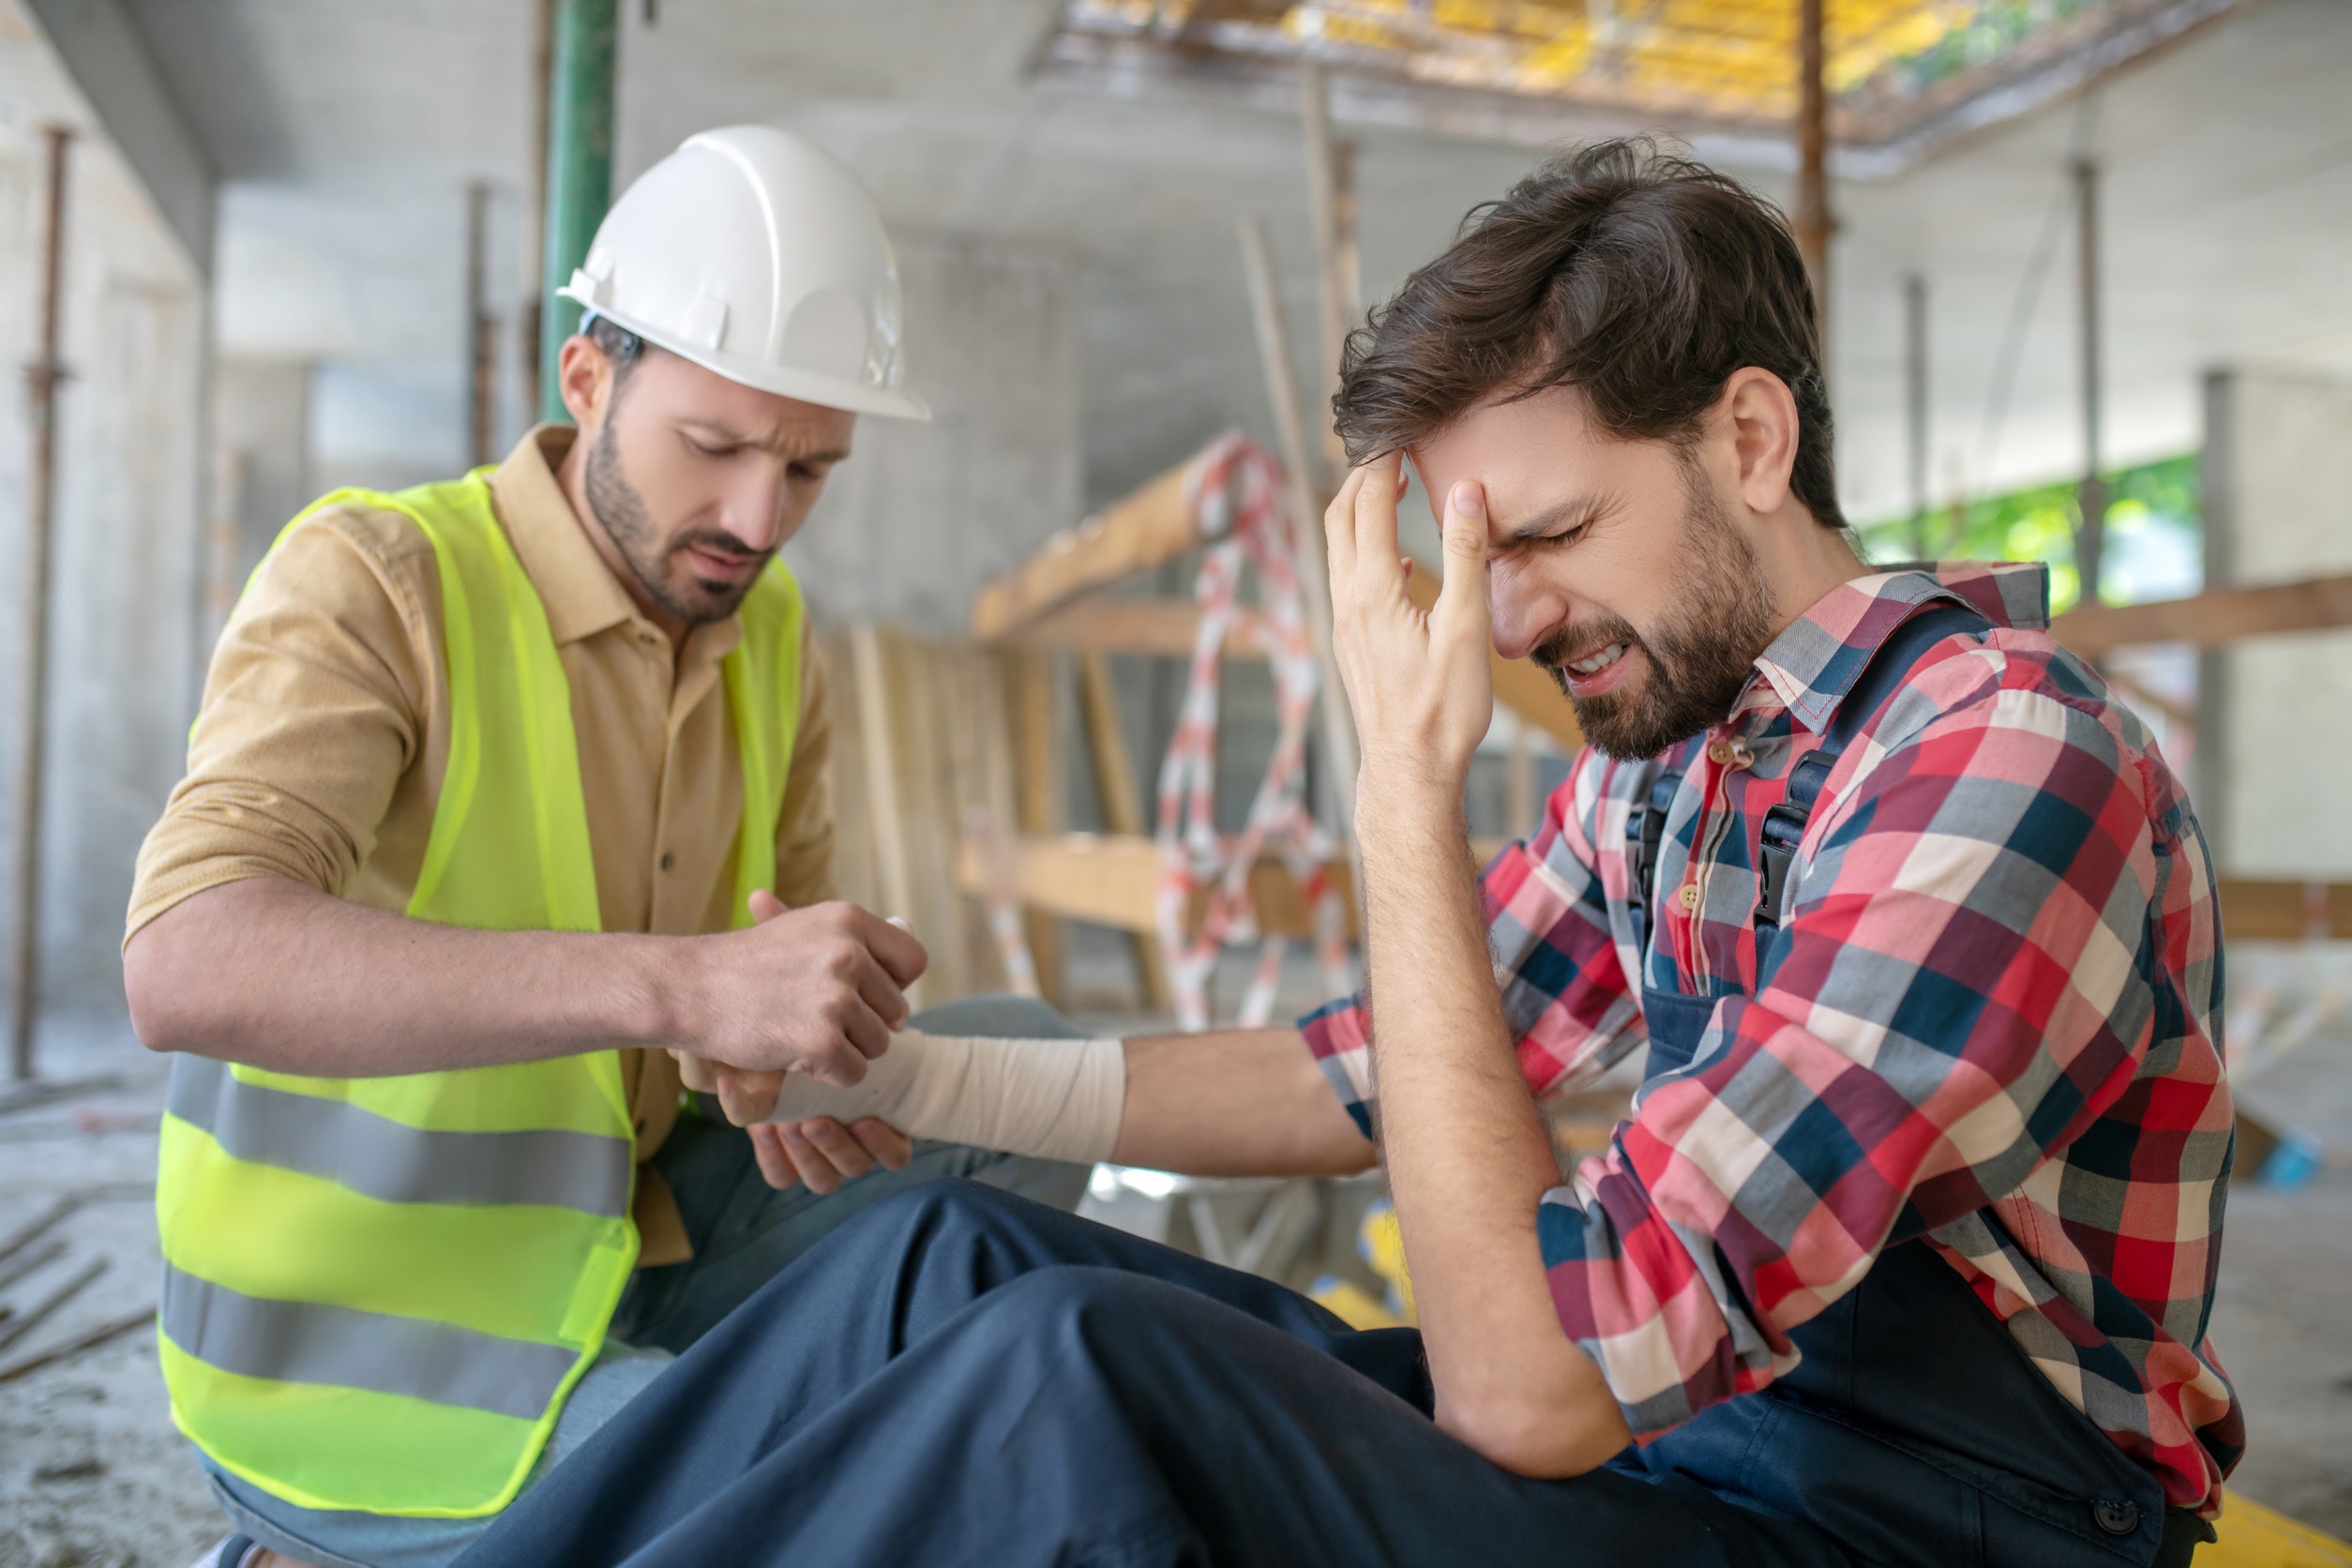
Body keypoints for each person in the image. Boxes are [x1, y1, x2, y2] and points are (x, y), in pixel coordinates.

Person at [445, 140, 2242, 1568]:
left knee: (1081, 1378)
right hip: (1704, 1450)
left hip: (1916, 1523)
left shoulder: (2003, 766)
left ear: (1751, 440)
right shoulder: (1678, 757)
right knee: (950, 1262)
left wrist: (1402, 791)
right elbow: (1363, 1077)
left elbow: (1535, 1386)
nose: (1514, 618)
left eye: (1547, 534)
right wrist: (909, 1072)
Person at [129, 128, 1112, 1568]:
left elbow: (767, 978)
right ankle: (312, 1544)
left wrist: (797, 1047)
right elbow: (185, 960)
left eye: (809, 470)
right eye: (710, 448)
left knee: (1028, 1074)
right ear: (589, 380)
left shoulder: (769, 633)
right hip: (356, 1361)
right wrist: (674, 987)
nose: (756, 520)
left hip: (613, 1236)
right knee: (807, 1501)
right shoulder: (378, 578)